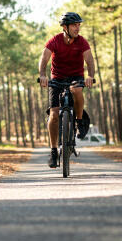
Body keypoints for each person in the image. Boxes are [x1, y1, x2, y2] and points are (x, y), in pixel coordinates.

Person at [39, 12, 95, 168]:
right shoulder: (55, 40)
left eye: (78, 25)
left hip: (75, 77)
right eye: (74, 25)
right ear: (65, 27)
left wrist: (90, 76)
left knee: (77, 90)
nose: (77, 28)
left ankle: (79, 120)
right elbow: (44, 58)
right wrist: (43, 75)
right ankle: (53, 150)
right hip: (57, 78)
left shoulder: (82, 42)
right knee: (54, 114)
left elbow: (89, 60)